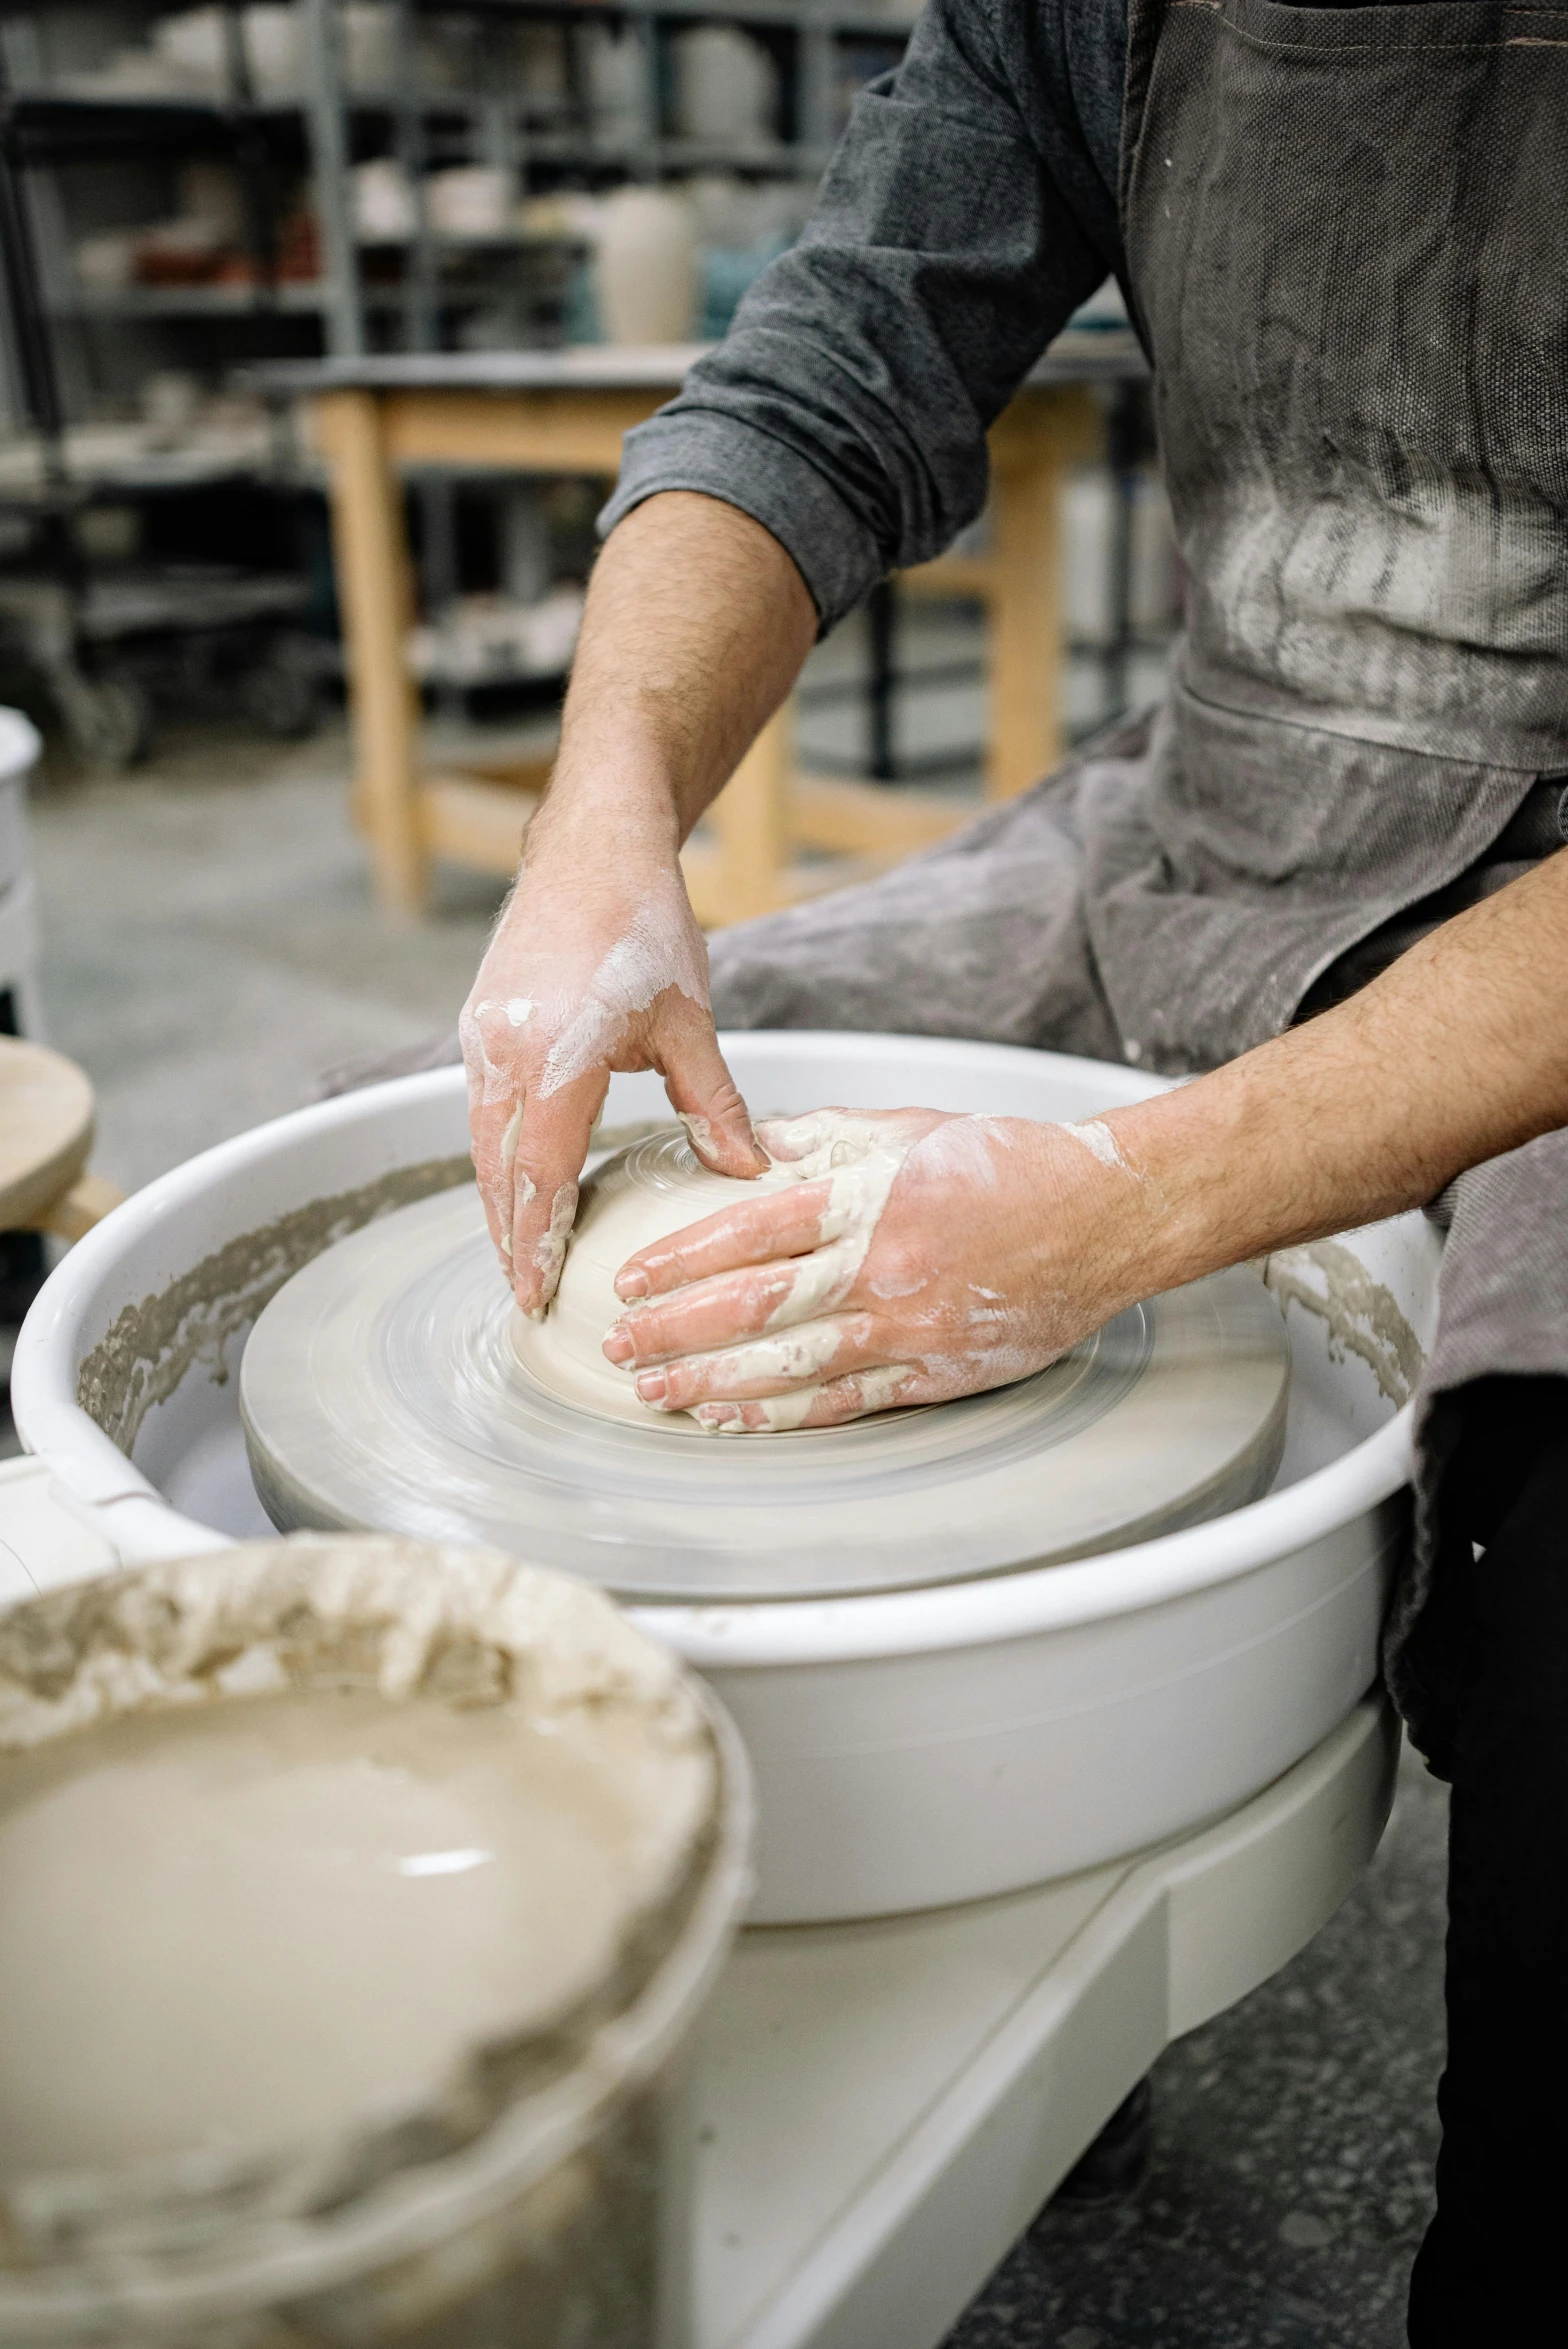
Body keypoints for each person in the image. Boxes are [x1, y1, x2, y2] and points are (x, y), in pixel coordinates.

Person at [458, 3, 1568, 2335]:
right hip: (1221, 814)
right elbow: (819, 373)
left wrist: (1130, 1208)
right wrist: (606, 807)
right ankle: (980, 1906)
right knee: (551, 1130)